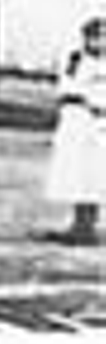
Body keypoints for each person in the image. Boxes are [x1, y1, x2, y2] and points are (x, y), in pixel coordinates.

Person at [43, 16, 106, 245]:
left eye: (103, 38)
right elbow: (67, 88)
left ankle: (89, 224)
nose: (99, 43)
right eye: (94, 37)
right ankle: (79, 224)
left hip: (100, 126)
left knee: (96, 175)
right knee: (77, 174)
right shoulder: (76, 60)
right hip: (78, 123)